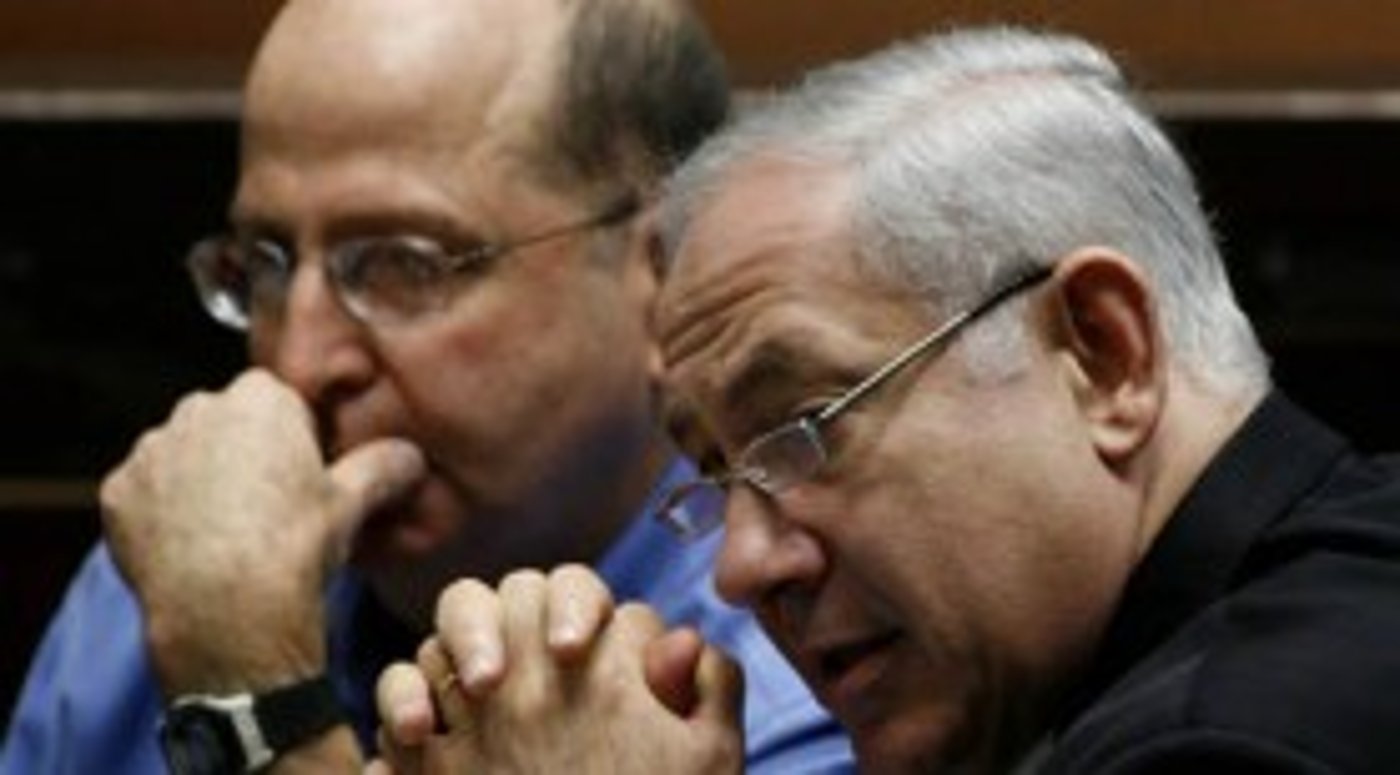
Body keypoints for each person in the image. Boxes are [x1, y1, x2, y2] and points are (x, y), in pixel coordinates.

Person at [374, 25, 1400, 774]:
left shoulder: (1232, 742)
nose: (739, 568)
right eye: (718, 474)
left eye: (801, 430)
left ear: (1102, 353)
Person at [0, 0, 853, 772]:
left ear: (666, 273)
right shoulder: (186, 572)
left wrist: (251, 699)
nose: (299, 363)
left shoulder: (822, 667)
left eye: (402, 265)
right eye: (264, 264)